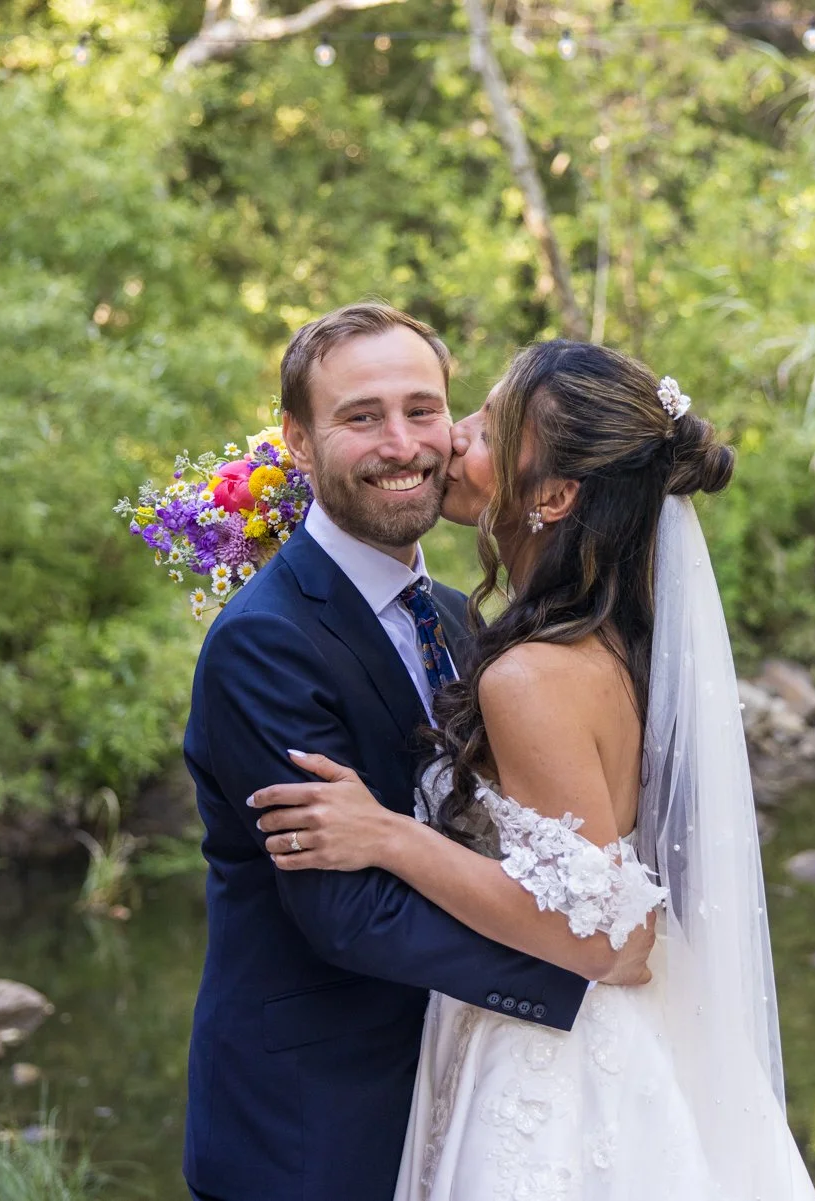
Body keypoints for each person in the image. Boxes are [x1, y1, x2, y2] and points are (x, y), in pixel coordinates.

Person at [250, 340, 815, 1200]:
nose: (450, 440)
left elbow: (609, 936)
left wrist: (393, 837)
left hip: (560, 1068)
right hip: (612, 1034)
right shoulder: (599, 640)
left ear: (552, 494)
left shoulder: (529, 676)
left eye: (483, 427)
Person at [181, 305, 653, 1201]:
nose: (403, 443)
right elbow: (345, 912)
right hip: (315, 1122)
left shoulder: (454, 614)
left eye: (424, 410)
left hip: (462, 1092)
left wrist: (599, 939)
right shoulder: (264, 641)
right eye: (362, 417)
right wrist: (589, 968)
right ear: (299, 439)